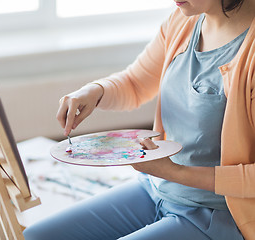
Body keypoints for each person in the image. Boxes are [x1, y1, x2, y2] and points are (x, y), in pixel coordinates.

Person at [24, 0, 255, 239]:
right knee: (37, 236)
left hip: (219, 214)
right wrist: (95, 91)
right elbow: (135, 83)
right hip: (157, 187)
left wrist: (175, 172)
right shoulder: (182, 20)